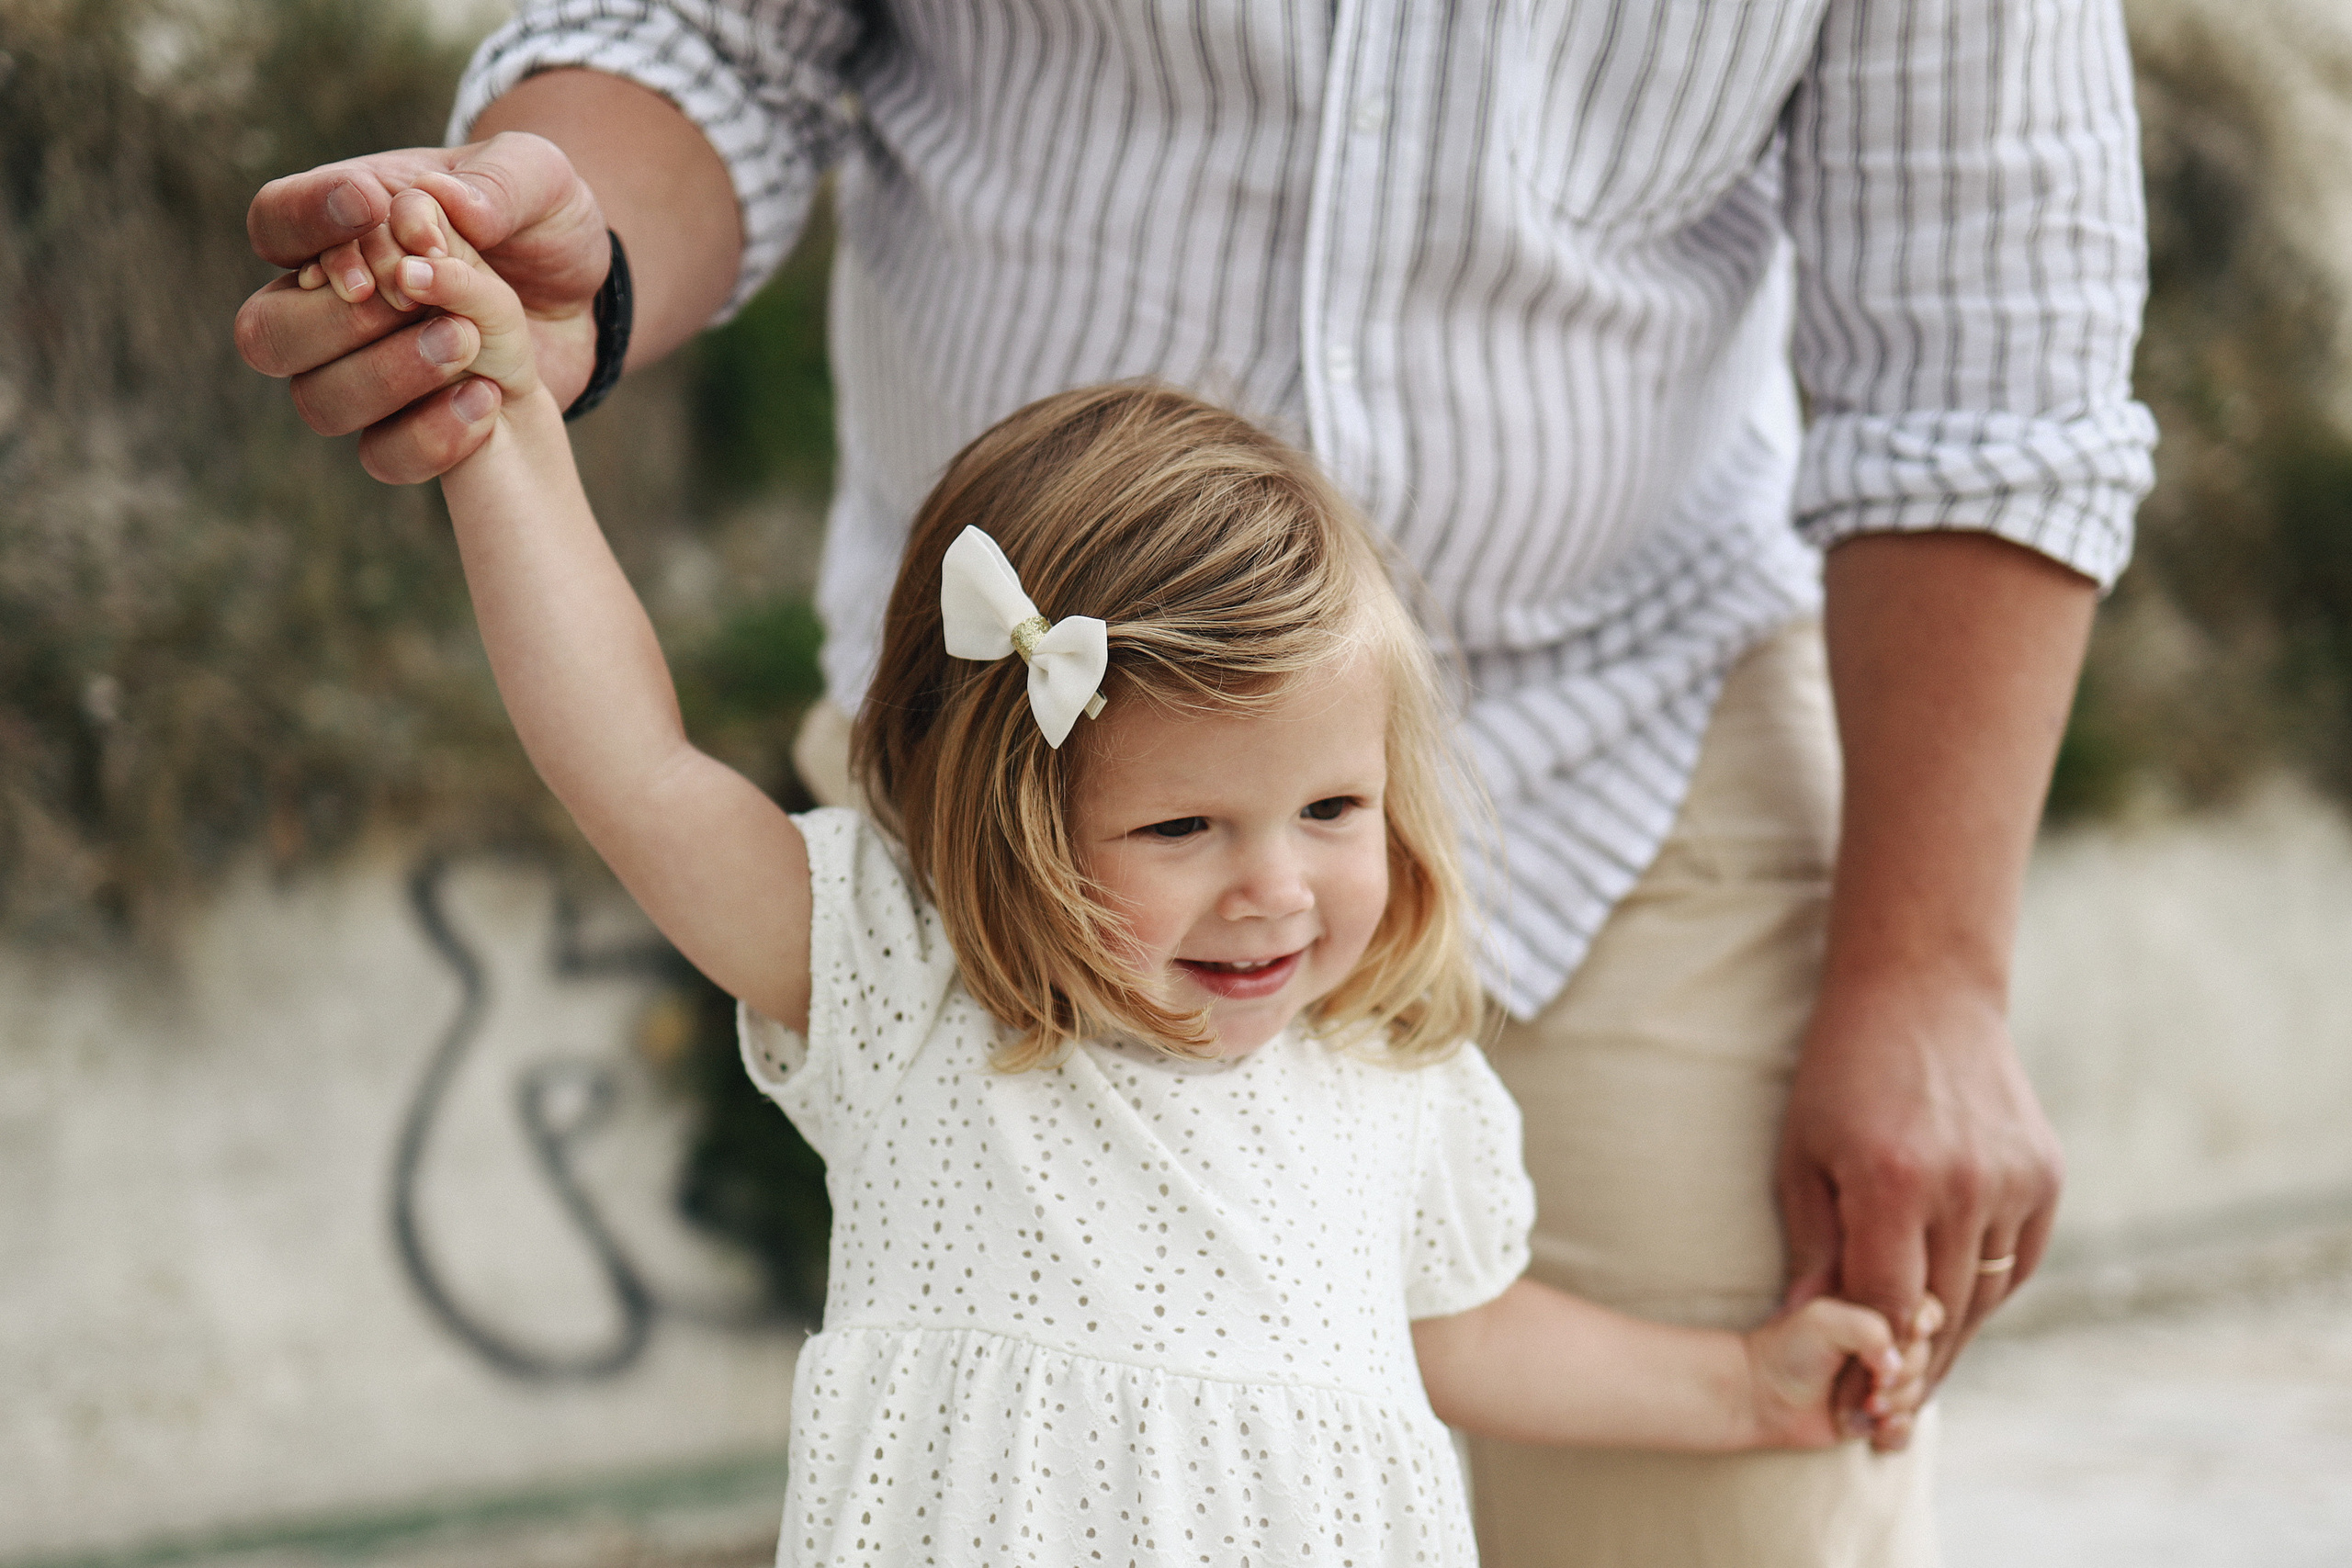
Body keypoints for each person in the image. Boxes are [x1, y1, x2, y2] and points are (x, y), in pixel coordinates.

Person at [235, 1, 2155, 1559]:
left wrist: (1737, 1389)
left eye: (1332, 813)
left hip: (1646, 691)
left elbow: (1463, 1321)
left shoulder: (1386, 1072)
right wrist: (500, 430)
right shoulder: (913, 983)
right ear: (1012, 812)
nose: (1275, 893)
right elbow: (627, 756)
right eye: (1179, 828)